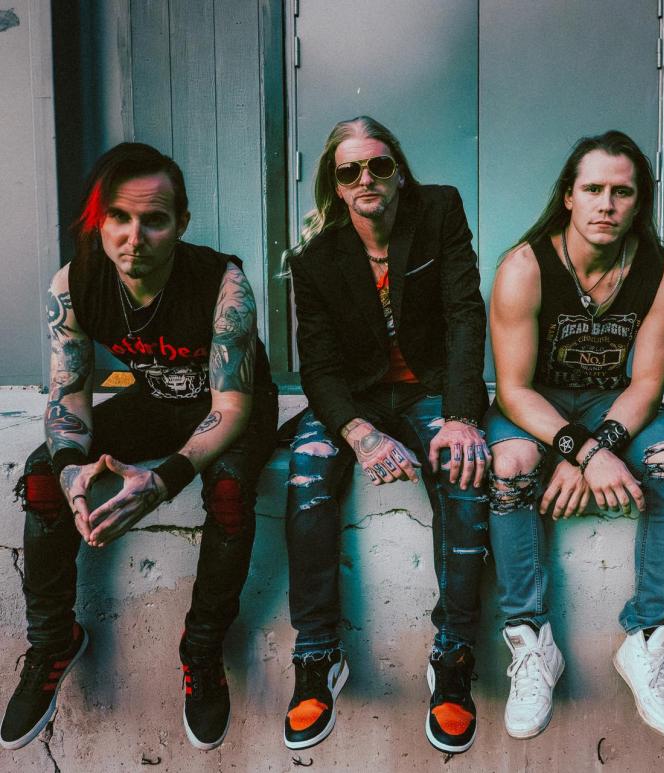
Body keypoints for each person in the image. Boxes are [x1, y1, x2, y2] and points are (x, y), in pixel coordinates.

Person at [0, 143, 278, 752]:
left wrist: (164, 480)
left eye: (154, 220)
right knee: (43, 475)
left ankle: (201, 649)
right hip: (155, 401)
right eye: (119, 218)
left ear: (181, 223)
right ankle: (53, 642)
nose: (134, 237)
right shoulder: (73, 284)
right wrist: (71, 469)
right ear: (99, 222)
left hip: (232, 410)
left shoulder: (224, 284)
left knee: (229, 492)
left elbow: (231, 406)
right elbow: (69, 396)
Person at [282, 116, 490, 754]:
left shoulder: (439, 210)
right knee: (307, 476)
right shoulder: (315, 258)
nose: (366, 178)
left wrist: (461, 414)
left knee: (464, 473)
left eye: (378, 165)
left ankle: (453, 656)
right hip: (355, 397)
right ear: (336, 185)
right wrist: (359, 433)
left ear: (399, 170)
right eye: (350, 171)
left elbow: (464, 311)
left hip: (432, 388)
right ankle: (317, 656)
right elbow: (318, 365)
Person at [486, 131, 664, 741]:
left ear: (639, 201)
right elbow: (513, 389)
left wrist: (594, 450)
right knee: (511, 466)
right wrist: (581, 451)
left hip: (614, 402)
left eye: (621, 192)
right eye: (593, 189)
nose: (606, 204)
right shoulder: (524, 267)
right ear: (569, 196)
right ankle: (530, 640)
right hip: (536, 404)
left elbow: (648, 384)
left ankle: (648, 640)